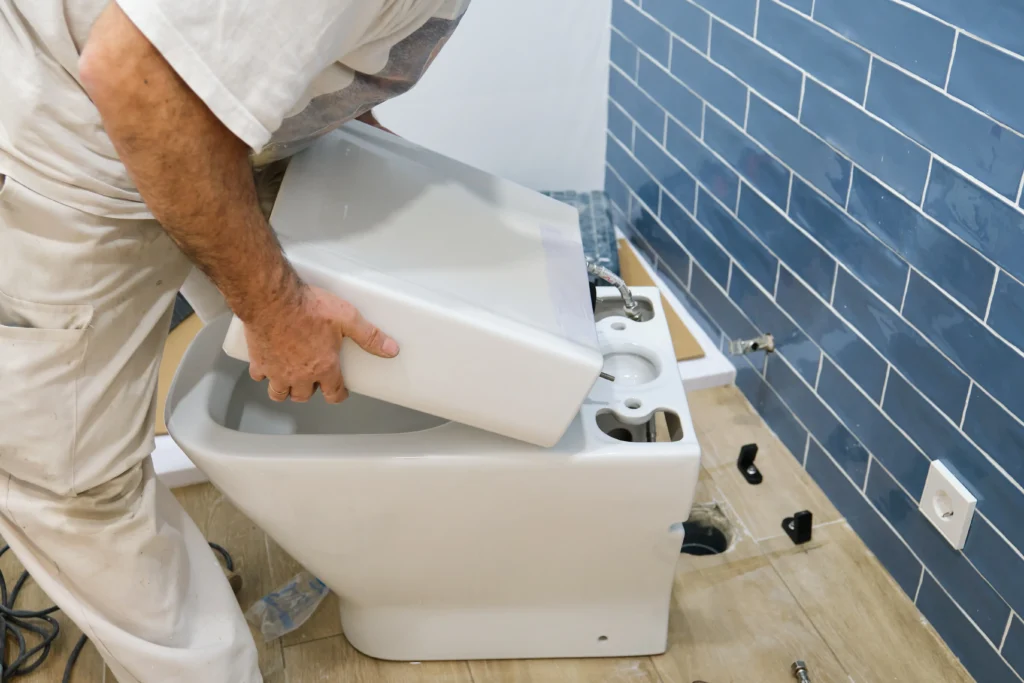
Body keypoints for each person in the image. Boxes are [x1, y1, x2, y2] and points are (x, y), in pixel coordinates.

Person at [0, 0, 471, 680]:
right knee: (71, 484)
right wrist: (276, 311)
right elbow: (136, 76)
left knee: (318, 339)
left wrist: (356, 134)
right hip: (64, 141)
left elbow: (273, 43)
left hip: (163, 117)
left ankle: (349, 543)